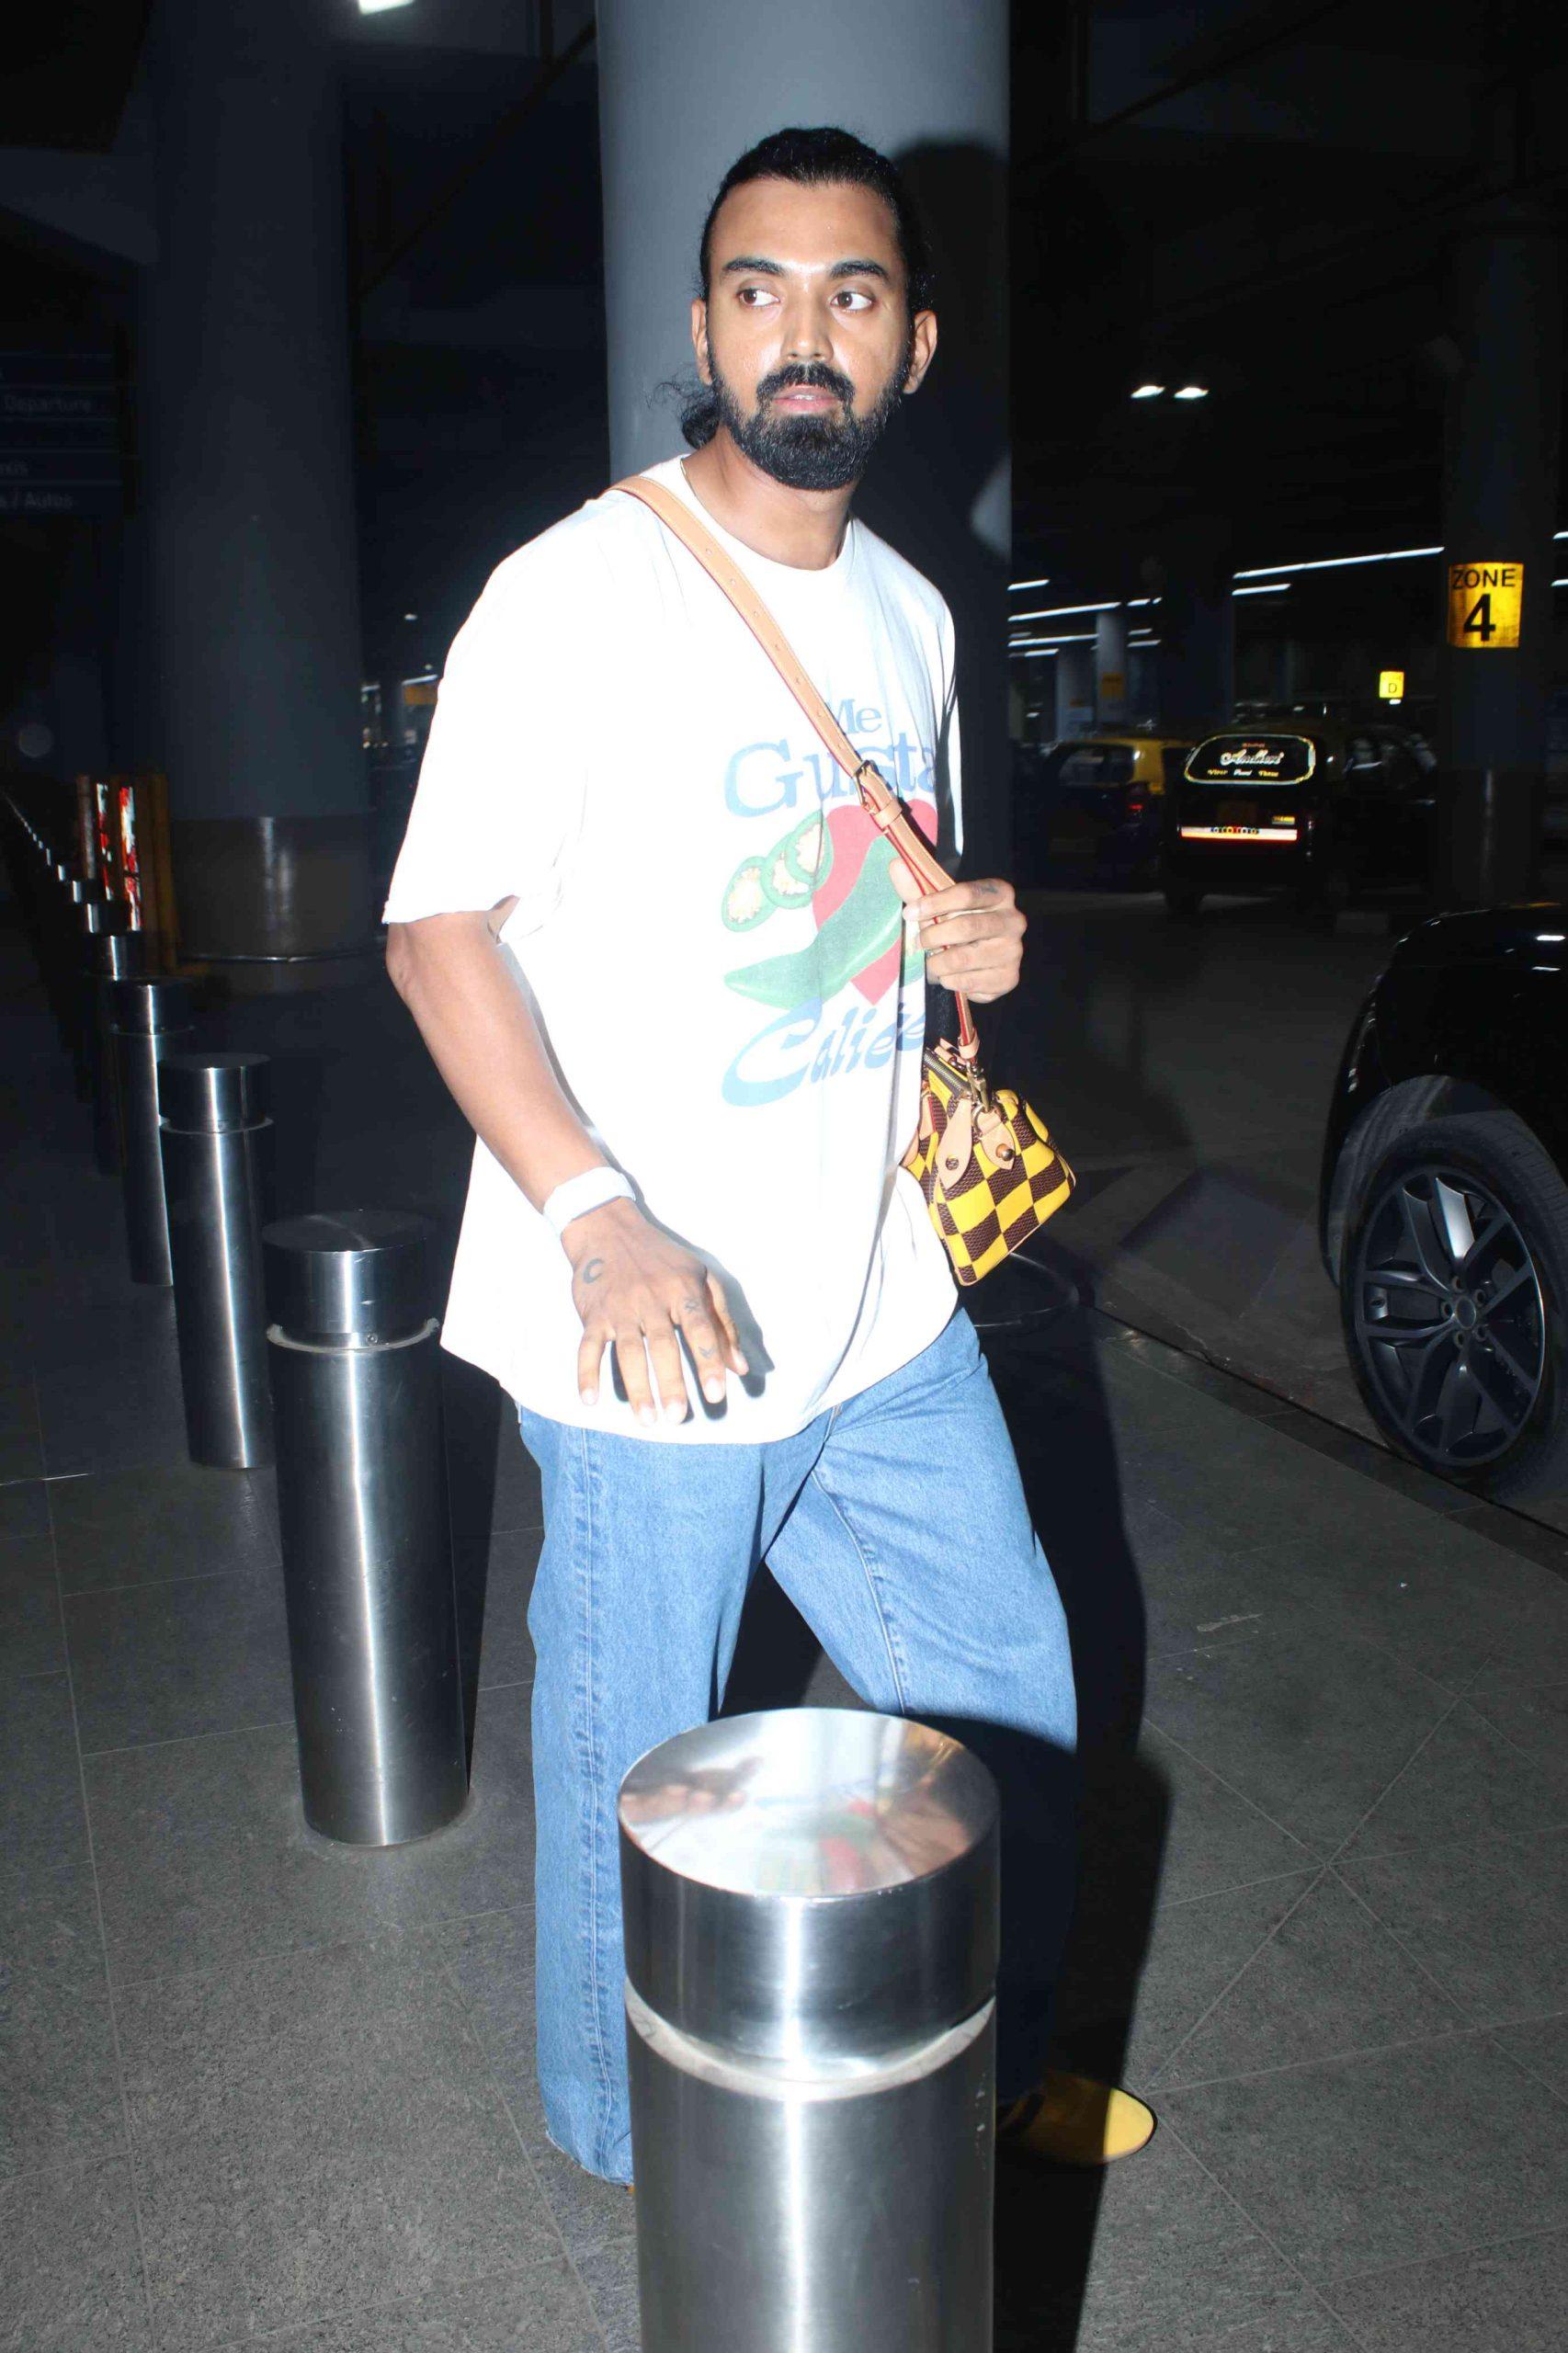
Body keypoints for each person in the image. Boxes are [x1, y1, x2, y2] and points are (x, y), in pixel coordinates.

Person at [384, 124, 1153, 2186]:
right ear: (704, 326)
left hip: (879, 1303)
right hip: (661, 1328)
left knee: (1009, 1699)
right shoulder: (576, 590)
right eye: (759, 290)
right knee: (635, 1773)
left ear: (913, 344)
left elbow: (877, 886)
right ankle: (632, 2160)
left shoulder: (911, 613)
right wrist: (594, 1214)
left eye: (849, 293)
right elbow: (436, 930)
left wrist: (966, 935)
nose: (802, 333)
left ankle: (990, 2077)